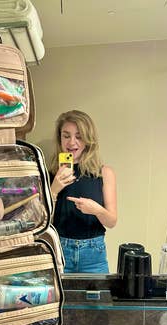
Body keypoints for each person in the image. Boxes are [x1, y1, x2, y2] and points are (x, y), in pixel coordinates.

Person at [49, 110, 117, 273]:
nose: (72, 142)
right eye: (66, 135)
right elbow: (41, 220)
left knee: (98, 299)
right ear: (60, 138)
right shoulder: (50, 173)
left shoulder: (104, 173)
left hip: (94, 256)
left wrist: (96, 210)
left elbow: (112, 221)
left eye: (78, 136)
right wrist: (54, 189)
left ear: (88, 140)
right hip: (60, 251)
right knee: (61, 299)